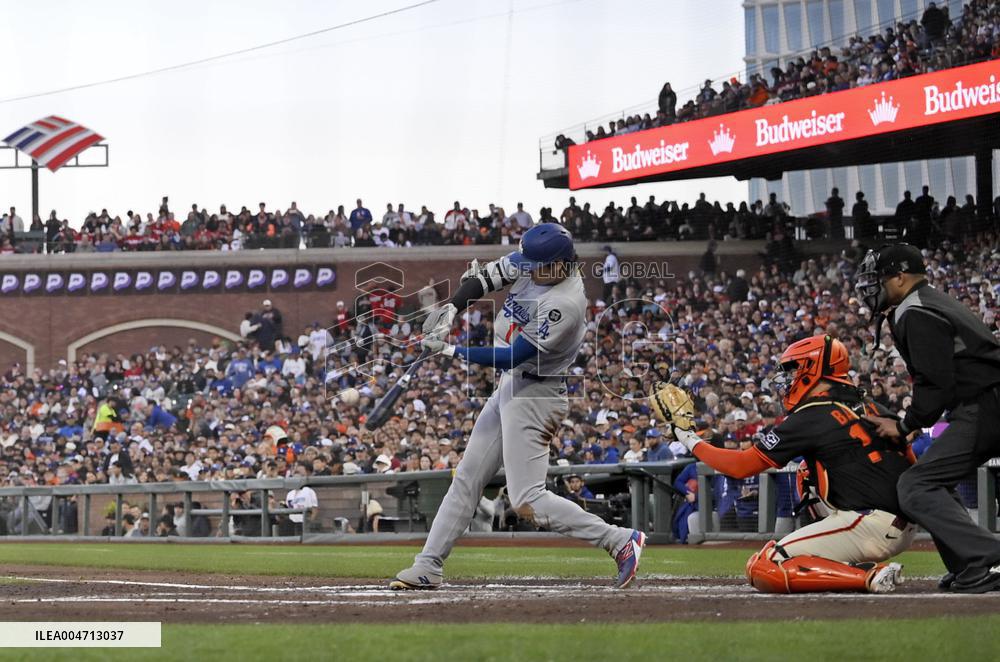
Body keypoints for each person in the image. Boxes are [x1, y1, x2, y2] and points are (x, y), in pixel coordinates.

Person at [390, 223, 646, 590]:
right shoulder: (538, 260)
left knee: (527, 499)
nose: (526, 268)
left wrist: (451, 350)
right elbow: (487, 278)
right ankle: (428, 564)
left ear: (559, 266)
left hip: (537, 396)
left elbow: (512, 356)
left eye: (535, 265)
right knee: (467, 478)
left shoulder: (565, 304)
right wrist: (451, 309)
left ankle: (620, 540)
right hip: (514, 388)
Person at [660, 335, 915, 594]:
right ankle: (845, 559)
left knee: (765, 565)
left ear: (812, 369)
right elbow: (908, 459)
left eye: (793, 370)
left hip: (869, 524)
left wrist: (686, 436)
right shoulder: (869, 404)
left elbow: (740, 466)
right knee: (806, 471)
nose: (789, 379)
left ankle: (868, 575)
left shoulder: (813, 414)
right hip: (900, 520)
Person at [856, 244, 1000, 593]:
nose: (871, 287)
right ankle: (971, 565)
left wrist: (906, 425)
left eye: (879, 278)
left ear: (900, 277)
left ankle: (989, 558)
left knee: (915, 485)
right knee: (931, 481)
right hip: (983, 401)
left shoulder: (915, 310)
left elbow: (935, 382)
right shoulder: (926, 301)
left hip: (986, 403)